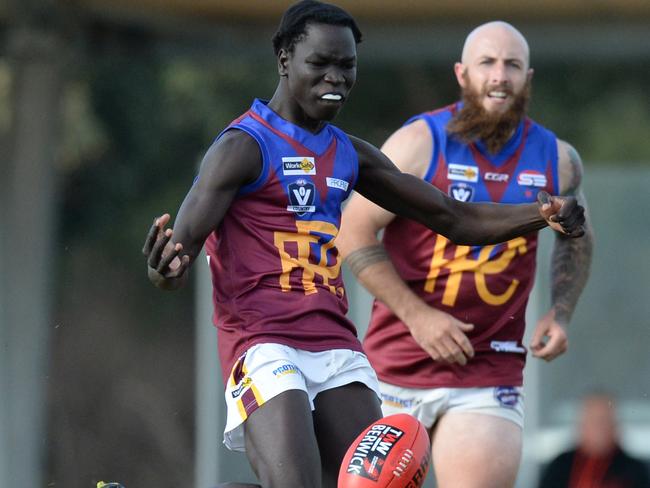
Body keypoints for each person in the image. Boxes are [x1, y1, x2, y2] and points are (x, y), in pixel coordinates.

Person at [142, 4, 585, 487]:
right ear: (285, 59)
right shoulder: (242, 147)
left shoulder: (347, 153)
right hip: (263, 344)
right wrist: (165, 269)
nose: (335, 77)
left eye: (347, 66)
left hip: (336, 347)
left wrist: (542, 215)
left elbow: (454, 219)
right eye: (320, 63)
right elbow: (174, 260)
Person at [336, 20, 594, 488]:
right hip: (395, 365)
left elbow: (578, 233)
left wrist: (561, 313)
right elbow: (352, 231)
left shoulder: (556, 158)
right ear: (462, 74)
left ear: (528, 78)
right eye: (487, 63)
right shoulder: (419, 142)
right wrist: (417, 316)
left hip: (487, 368)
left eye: (512, 64)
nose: (500, 75)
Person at [538, 392, 650, 488]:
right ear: (581, 425)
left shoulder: (635, 470)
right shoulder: (560, 466)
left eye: (604, 421)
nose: (599, 429)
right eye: (593, 421)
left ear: (615, 425)